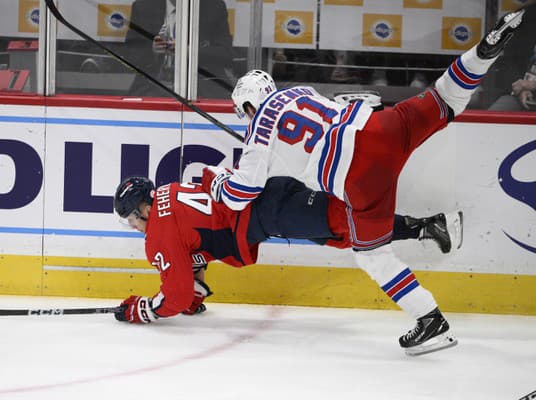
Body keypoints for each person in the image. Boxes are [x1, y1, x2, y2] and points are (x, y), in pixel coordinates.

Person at [201, 10, 525, 356]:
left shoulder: (257, 134)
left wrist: (219, 182)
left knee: (373, 255)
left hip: (360, 176)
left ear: (247, 106)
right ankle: (481, 55)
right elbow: (341, 107)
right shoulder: (300, 91)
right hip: (381, 128)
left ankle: (431, 321)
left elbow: (239, 196)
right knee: (446, 98)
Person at [112, 175, 462, 326]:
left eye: (131, 218)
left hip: (269, 213)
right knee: (344, 234)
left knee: (349, 224)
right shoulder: (170, 193)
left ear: (143, 208)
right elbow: (197, 244)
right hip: (270, 199)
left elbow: (172, 297)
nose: (134, 226)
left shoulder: (158, 231)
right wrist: (197, 288)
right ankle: (426, 227)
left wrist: (142, 310)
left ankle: (428, 225)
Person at [125, 0, 235, 98]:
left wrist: (187, 51)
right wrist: (153, 50)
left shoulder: (214, 7)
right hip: (153, 87)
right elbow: (130, 54)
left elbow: (225, 53)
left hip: (201, 88)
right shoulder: (143, 7)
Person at [485, 3, 536, 110]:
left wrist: (532, 85)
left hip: (530, 87)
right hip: (524, 95)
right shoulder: (525, 15)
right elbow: (510, 62)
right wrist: (520, 89)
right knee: (495, 114)